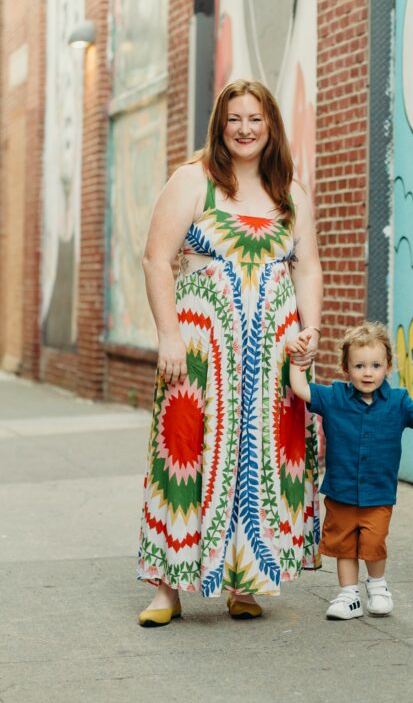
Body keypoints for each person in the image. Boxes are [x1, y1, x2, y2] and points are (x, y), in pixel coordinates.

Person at [137, 79, 322, 625]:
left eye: (255, 120)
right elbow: (155, 259)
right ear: (220, 124)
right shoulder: (193, 181)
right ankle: (166, 589)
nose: (244, 129)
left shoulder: (291, 190)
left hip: (272, 356)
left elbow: (306, 265)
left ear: (271, 128)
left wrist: (309, 330)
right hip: (199, 351)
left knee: (260, 459)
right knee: (186, 455)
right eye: (234, 119)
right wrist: (169, 335)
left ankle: (245, 582)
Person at [289, 321, 413, 620]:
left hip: (378, 493)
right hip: (341, 491)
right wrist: (297, 360)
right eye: (359, 365)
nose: (368, 372)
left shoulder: (397, 402)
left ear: (388, 367)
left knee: (372, 544)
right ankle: (349, 596)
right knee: (345, 546)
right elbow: (300, 388)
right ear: (346, 368)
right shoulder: (334, 397)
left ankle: (378, 586)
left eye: (375, 365)